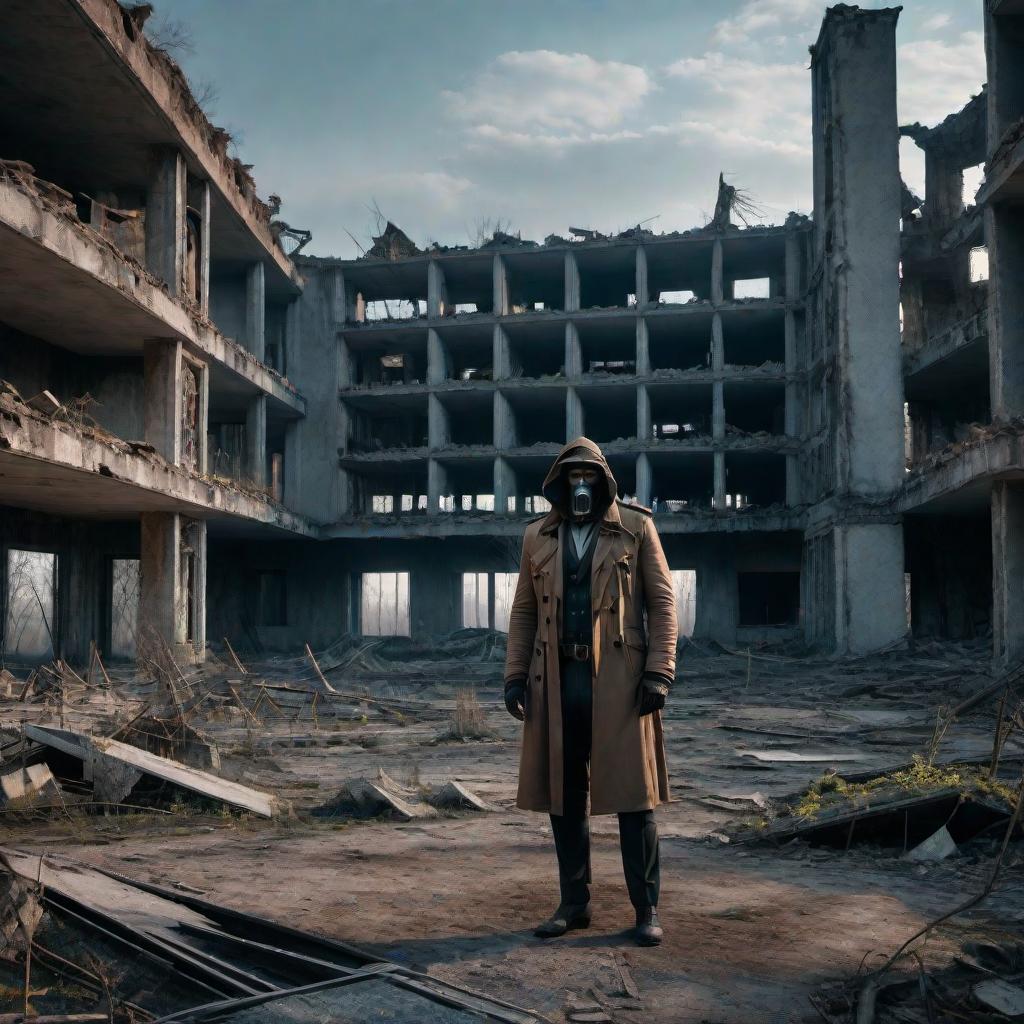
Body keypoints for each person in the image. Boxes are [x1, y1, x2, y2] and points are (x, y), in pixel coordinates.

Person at [503, 437, 678, 946]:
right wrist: (515, 675)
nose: (581, 485)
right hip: (557, 681)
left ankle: (646, 909)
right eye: (572, 476)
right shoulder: (537, 537)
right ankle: (573, 904)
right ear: (559, 483)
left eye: (590, 476)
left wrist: (658, 673)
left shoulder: (637, 528)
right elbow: (524, 612)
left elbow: (664, 605)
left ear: (604, 482)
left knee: (633, 796)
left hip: (622, 684)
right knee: (565, 796)